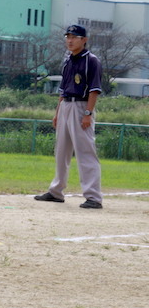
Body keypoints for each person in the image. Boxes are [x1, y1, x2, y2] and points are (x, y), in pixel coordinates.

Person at [35, 24, 104, 209]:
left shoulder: (91, 61)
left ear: (84, 39)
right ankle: (56, 191)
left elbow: (94, 90)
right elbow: (63, 90)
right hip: (66, 105)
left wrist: (88, 114)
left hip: (81, 106)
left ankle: (93, 197)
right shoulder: (67, 60)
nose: (70, 40)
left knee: (85, 152)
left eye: (74, 37)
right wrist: (57, 112)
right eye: (68, 36)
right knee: (61, 151)